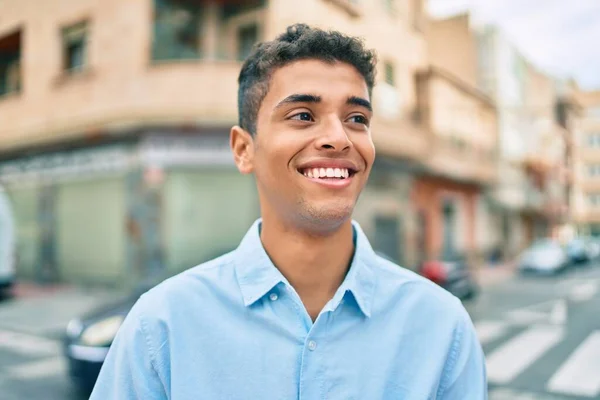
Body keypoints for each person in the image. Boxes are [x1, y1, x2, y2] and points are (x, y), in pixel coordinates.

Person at [90, 23, 487, 399]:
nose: (338, 138)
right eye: (303, 116)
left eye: (357, 119)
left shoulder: (441, 327)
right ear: (244, 150)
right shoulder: (161, 326)